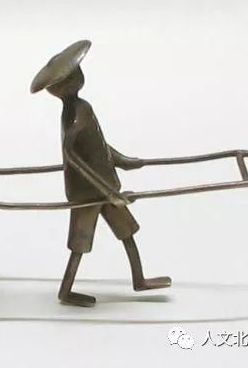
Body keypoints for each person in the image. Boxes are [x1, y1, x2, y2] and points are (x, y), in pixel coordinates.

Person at [31, 40, 171, 307]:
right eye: (70, 77)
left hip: (103, 186)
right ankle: (66, 291)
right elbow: (71, 156)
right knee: (80, 243)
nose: (78, 77)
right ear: (58, 89)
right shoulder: (74, 114)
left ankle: (139, 279)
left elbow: (98, 144)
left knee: (126, 231)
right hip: (89, 192)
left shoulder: (81, 108)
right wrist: (108, 192)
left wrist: (122, 160)